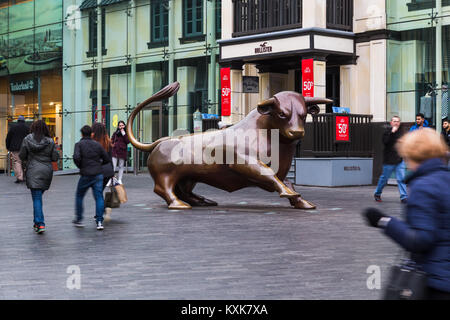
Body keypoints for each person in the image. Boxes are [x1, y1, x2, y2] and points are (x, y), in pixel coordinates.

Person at [363, 128, 450, 300]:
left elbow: (420, 239)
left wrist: (384, 221)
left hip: (435, 281)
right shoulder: (445, 178)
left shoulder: (423, 186)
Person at [19, 120, 59, 233]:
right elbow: (55, 158)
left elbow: (22, 155)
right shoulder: (50, 142)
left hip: (33, 170)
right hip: (46, 171)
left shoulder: (27, 139)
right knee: (38, 197)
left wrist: (27, 160)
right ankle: (37, 223)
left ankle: (40, 223)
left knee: (36, 198)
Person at [72, 125, 111, 230]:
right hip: (98, 174)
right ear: (91, 134)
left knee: (79, 196)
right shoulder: (97, 145)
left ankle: (79, 219)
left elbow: (76, 157)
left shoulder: (79, 145)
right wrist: (99, 163)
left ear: (82, 134)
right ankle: (99, 221)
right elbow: (107, 158)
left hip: (85, 174)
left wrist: (81, 166)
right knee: (98, 196)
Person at [374, 116, 408, 203]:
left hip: (399, 160)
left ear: (399, 123)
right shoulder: (387, 132)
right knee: (384, 179)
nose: (396, 123)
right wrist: (392, 133)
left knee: (401, 179)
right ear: (391, 123)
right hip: (389, 161)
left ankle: (404, 197)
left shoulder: (401, 133)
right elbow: (385, 142)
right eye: (394, 121)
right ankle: (377, 193)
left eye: (398, 121)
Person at [91, 122, 114, 220]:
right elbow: (110, 158)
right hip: (107, 171)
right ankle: (101, 209)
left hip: (97, 171)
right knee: (99, 192)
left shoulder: (93, 142)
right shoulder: (108, 141)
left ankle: (100, 212)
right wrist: (112, 172)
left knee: (97, 193)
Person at [6, 115, 29, 183]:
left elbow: (8, 138)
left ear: (18, 120)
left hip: (15, 148)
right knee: (26, 161)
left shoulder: (13, 128)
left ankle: (20, 177)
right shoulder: (27, 128)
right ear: (24, 120)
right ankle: (26, 176)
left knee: (17, 162)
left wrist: (8, 147)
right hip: (25, 148)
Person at [111, 120, 129, 185]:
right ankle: (111, 179)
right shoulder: (115, 133)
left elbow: (127, 141)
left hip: (122, 151)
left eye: (122, 125)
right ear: (118, 126)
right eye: (120, 125)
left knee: (121, 166)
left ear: (124, 126)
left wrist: (124, 134)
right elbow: (111, 140)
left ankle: (119, 179)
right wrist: (113, 145)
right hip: (115, 151)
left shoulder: (127, 133)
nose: (121, 127)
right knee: (113, 166)